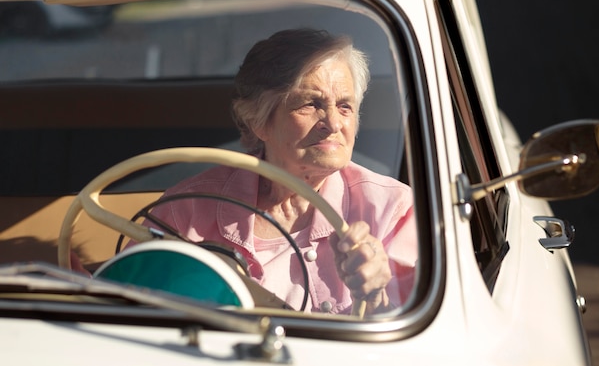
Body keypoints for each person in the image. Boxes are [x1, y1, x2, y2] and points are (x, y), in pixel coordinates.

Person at [143, 28, 417, 315]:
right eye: (311, 104)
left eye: (345, 106)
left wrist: (376, 299)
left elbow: (426, 342)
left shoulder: (392, 210)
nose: (334, 123)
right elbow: (131, 310)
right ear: (259, 122)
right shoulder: (184, 212)